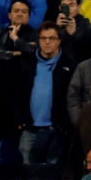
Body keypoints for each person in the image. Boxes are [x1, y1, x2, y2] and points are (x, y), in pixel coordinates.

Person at [11, 21, 75, 165]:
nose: (47, 42)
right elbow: (17, 94)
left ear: (59, 41)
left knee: (52, 177)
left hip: (57, 130)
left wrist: (64, 124)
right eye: (43, 38)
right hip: (29, 129)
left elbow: (73, 97)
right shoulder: (27, 63)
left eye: (51, 38)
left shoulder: (69, 65)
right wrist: (20, 119)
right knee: (27, 176)